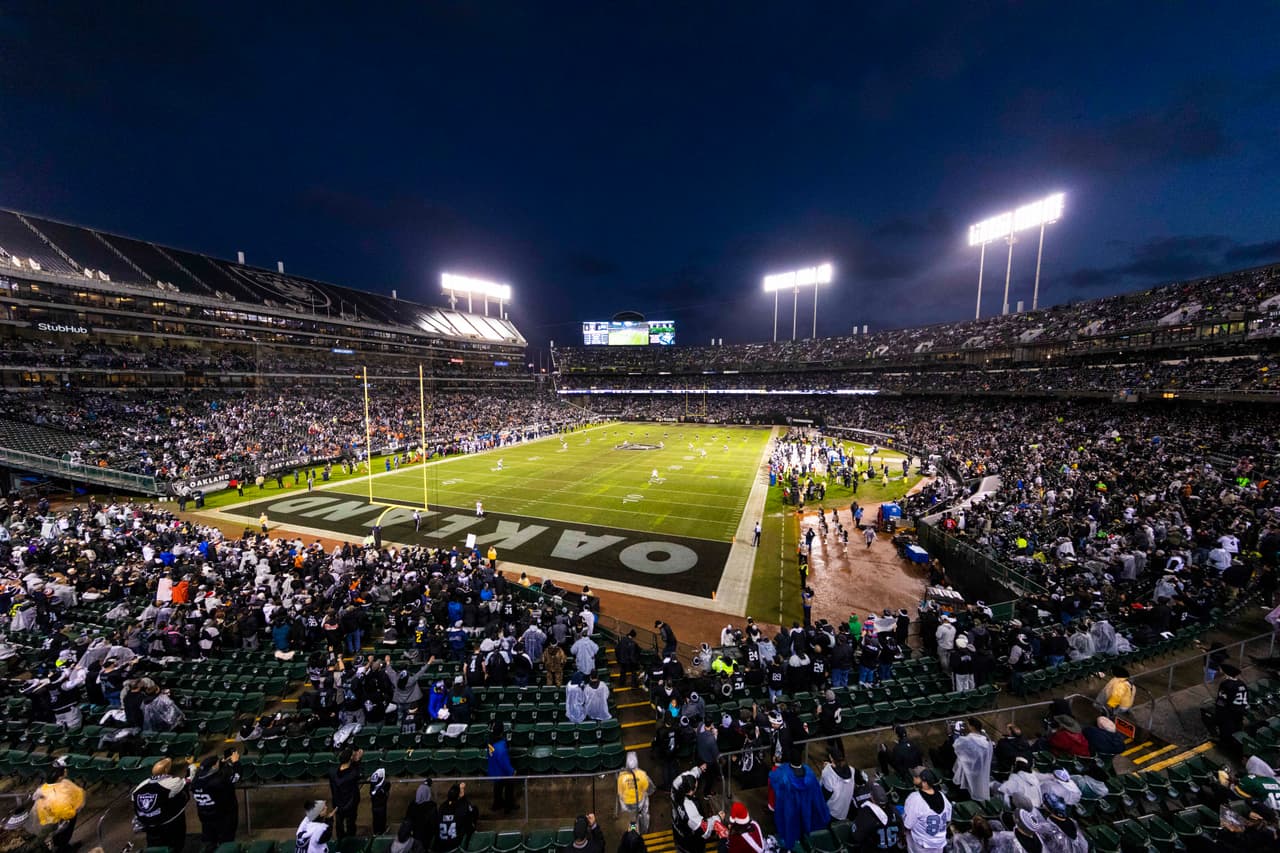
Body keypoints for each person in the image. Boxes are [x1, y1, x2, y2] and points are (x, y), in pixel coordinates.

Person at [768, 748, 831, 852]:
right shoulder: (809, 773)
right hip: (806, 807)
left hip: (790, 809)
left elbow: (773, 778)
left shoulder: (784, 774)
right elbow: (816, 793)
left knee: (791, 828)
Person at [132, 758, 190, 853]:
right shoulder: (173, 782)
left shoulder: (140, 786)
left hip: (149, 826)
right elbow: (184, 787)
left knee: (155, 847)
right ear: (167, 770)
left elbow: (134, 800)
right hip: (169, 823)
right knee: (175, 846)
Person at [191, 749, 242, 848]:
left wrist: (221, 763)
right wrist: (236, 763)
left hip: (205, 817)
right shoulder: (218, 782)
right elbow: (236, 778)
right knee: (226, 842)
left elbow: (211, 772)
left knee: (210, 843)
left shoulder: (196, 781)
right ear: (214, 766)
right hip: (223, 816)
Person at [31, 764, 86, 853]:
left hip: (48, 819)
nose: (66, 771)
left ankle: (62, 846)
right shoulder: (57, 795)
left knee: (58, 837)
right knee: (63, 836)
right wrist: (75, 810)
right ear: (59, 777)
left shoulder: (46, 787)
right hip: (59, 821)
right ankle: (63, 849)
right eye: (64, 771)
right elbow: (66, 813)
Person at [670, 767, 722, 853]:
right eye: (696, 784)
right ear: (691, 791)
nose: (697, 782)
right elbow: (703, 827)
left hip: (678, 833)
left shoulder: (675, 787)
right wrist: (718, 818)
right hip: (691, 844)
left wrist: (699, 769)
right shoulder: (689, 809)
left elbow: (686, 776)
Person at [902, 767, 951, 853]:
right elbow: (948, 819)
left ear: (924, 783)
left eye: (916, 777)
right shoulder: (942, 796)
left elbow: (907, 825)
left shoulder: (914, 798)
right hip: (940, 844)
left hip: (922, 846)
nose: (913, 778)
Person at [850, 783, 902, 852]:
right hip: (892, 849)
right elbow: (901, 830)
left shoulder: (866, 813)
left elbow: (856, 837)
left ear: (872, 798)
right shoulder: (895, 810)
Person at [951, 719, 993, 802]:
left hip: (968, 770)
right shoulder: (986, 741)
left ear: (972, 727)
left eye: (968, 725)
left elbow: (956, 744)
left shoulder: (968, 740)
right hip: (980, 769)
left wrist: (955, 732)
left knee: (966, 790)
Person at [328, 747, 364, 839]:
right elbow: (359, 773)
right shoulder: (353, 774)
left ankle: (341, 840)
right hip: (350, 804)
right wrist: (358, 760)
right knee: (350, 823)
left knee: (339, 824)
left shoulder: (332, 772)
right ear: (350, 758)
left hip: (337, 803)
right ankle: (350, 841)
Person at [617, 751, 653, 834]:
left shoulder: (621, 776)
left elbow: (620, 792)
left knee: (633, 819)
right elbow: (646, 789)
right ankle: (644, 829)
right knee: (645, 810)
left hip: (628, 804)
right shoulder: (642, 774)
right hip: (640, 802)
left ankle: (633, 830)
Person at [1216, 662, 1250, 751]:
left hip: (1229, 713)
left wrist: (1218, 715)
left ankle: (1227, 747)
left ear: (1225, 672)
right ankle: (1238, 745)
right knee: (1237, 730)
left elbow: (1222, 701)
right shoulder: (1242, 683)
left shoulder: (1226, 684)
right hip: (1240, 712)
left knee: (1226, 732)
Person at [435, 783, 477, 853]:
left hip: (442, 845)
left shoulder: (442, 806)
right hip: (455, 845)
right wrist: (463, 797)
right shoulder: (460, 806)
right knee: (471, 814)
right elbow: (470, 811)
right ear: (458, 796)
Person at [487, 722, 517, 814]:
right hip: (502, 772)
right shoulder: (500, 746)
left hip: (494, 769)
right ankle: (508, 807)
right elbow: (504, 762)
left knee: (497, 787)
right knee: (509, 787)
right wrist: (512, 771)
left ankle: (497, 804)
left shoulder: (490, 741)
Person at [370, 768, 391, 835]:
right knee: (381, 819)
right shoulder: (385, 784)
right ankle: (381, 832)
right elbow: (387, 786)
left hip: (375, 806)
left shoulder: (372, 785)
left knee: (376, 819)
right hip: (381, 805)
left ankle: (376, 832)